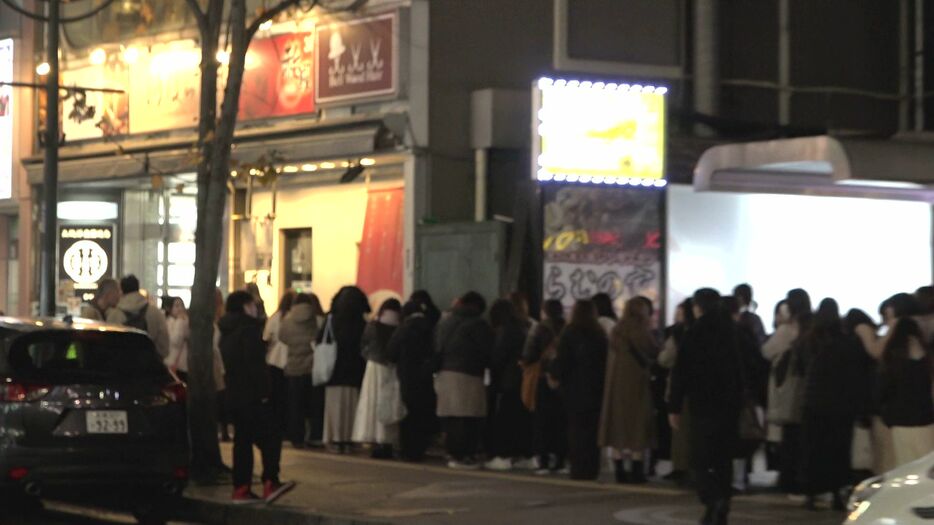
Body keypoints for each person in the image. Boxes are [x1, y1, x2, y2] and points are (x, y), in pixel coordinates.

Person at [669, 289, 743, 525]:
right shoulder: (731, 331)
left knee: (699, 459)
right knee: (723, 459)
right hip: (729, 405)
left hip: (702, 404)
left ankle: (712, 499)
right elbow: (742, 369)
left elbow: (681, 372)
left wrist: (674, 406)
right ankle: (722, 504)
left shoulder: (695, 333)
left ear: (698, 307)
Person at [217, 291, 293, 504]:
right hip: (251, 395)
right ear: (244, 306)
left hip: (234, 395)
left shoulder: (226, 331)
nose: (255, 308)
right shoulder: (249, 330)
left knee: (242, 442)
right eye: (252, 304)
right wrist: (265, 392)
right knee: (271, 435)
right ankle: (271, 481)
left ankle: (241, 488)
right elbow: (255, 366)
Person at [798, 299, 866, 511]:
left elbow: (801, 369)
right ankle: (838, 494)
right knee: (839, 450)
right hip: (841, 403)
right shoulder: (847, 341)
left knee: (813, 449)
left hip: (813, 401)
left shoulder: (808, 341)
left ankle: (810, 493)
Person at [599, 297, 657, 484]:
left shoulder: (616, 331)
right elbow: (655, 353)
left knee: (618, 429)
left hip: (615, 388)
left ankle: (619, 471)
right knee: (637, 428)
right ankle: (637, 471)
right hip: (638, 386)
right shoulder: (642, 332)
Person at [434, 291, 494, 469]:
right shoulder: (478, 324)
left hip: (445, 372)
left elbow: (436, 346)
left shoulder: (445, 322)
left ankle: (452, 453)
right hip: (469, 373)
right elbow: (487, 350)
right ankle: (464, 455)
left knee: (452, 416)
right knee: (468, 417)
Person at [550, 299, 608, 481]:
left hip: (574, 388)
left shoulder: (570, 333)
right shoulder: (600, 334)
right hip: (596, 388)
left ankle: (578, 468)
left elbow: (562, 361)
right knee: (592, 431)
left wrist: (554, 373)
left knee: (576, 430)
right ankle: (592, 467)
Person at [763, 288, 812, 494]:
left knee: (789, 438)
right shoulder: (812, 326)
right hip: (808, 389)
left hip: (788, 390)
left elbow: (766, 351)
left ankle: (788, 479)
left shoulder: (786, 331)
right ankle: (802, 479)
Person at [484, 299, 534, 471]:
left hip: (509, 381)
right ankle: (525, 455)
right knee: (521, 421)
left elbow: (498, 357)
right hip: (523, 381)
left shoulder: (506, 331)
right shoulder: (524, 328)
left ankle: (503, 457)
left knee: (505, 421)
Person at [879, 317, 934, 466]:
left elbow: (884, 390)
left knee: (906, 466)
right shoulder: (927, 356)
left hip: (900, 420)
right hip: (926, 419)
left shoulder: (892, 356)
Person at [352, 298, 404, 459]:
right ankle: (388, 440)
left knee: (372, 403)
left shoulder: (373, 326)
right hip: (392, 368)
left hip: (373, 368)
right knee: (390, 402)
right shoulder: (399, 326)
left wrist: (370, 357)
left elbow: (363, 346)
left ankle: (373, 438)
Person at [321, 286, 369, 452]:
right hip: (355, 371)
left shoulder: (331, 320)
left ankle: (335, 439)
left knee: (335, 406)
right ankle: (349, 440)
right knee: (352, 407)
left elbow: (319, 340)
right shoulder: (362, 322)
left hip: (333, 371)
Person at [522, 299, 568, 474]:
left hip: (542, 379)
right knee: (561, 421)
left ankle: (543, 461)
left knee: (542, 422)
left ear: (544, 311)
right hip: (562, 381)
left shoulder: (539, 328)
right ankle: (561, 461)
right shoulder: (567, 328)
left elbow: (528, 355)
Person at [389, 300, 439, 461]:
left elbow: (391, 352)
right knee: (422, 412)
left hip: (406, 375)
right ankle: (420, 448)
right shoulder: (431, 327)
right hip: (425, 377)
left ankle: (407, 449)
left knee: (407, 413)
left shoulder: (402, 329)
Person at [658, 299, 695, 483]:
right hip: (701, 390)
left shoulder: (679, 334)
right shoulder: (710, 332)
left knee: (679, 430)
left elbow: (665, 359)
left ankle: (681, 467)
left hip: (680, 388)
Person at [278, 293, 319, 449]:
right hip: (311, 366)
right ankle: (312, 436)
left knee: (295, 405)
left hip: (293, 367)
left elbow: (282, 338)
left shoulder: (287, 320)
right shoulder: (315, 319)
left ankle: (297, 437)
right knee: (311, 405)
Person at [107, 275, 170, 359]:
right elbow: (164, 346)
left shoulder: (114, 315)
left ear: (121, 291)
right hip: (148, 365)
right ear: (138, 288)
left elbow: (109, 345)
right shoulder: (155, 312)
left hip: (122, 365)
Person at [263, 290, 295, 436]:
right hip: (291, 359)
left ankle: (277, 426)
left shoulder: (275, 317)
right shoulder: (293, 318)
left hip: (274, 359)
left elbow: (266, 337)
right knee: (289, 396)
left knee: (276, 395)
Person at [163, 296, 190, 382]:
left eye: (182, 305)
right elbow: (176, 341)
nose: (180, 308)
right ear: (170, 308)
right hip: (173, 364)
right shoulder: (168, 323)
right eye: (177, 306)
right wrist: (180, 321)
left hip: (184, 364)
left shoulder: (186, 321)